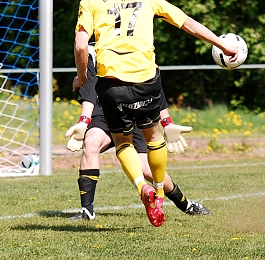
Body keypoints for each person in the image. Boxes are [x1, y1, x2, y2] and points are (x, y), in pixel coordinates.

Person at [74, 0, 238, 227]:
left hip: (112, 85)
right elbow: (186, 22)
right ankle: (159, 193)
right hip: (146, 81)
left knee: (123, 143)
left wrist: (81, 76)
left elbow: (81, 45)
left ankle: (143, 188)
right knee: (154, 139)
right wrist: (222, 44)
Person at [65, 44, 211, 221]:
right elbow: (89, 89)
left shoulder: (137, 44)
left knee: (147, 170)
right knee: (91, 141)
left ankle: (185, 203)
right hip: (105, 110)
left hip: (133, 111)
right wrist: (84, 121)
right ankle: (87, 210)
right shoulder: (93, 51)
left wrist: (167, 123)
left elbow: (154, 89)